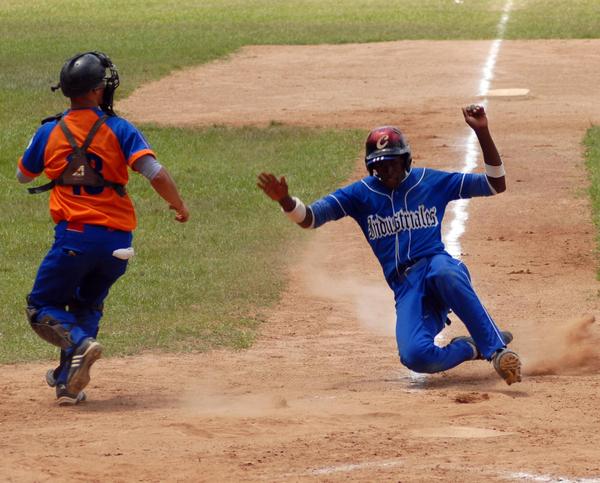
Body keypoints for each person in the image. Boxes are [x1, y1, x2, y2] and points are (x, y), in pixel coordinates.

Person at [257, 105, 521, 385]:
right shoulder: (360, 194)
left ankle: (497, 352)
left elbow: (495, 184)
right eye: (380, 165)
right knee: (416, 357)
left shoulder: (431, 181)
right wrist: (286, 201)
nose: (387, 170)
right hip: (406, 286)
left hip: (437, 266)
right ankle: (473, 347)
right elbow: (310, 218)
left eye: (392, 162)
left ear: (405, 160)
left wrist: (482, 132)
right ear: (371, 167)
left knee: (446, 272)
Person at [17, 51, 190, 405]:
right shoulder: (119, 128)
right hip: (118, 243)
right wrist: (178, 204)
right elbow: (154, 172)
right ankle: (67, 382)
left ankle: (80, 343)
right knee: (87, 305)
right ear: (98, 91)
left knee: (41, 306)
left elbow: (23, 175)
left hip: (74, 239)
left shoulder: (50, 130)